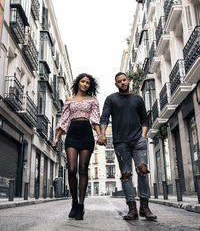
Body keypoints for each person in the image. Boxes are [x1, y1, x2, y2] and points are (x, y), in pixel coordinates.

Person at [97, 72, 157, 221]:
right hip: (120, 143)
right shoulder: (111, 99)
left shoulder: (137, 99)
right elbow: (104, 117)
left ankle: (145, 207)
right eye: (119, 81)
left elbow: (145, 119)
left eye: (124, 80)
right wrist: (102, 134)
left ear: (128, 80)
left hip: (138, 140)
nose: (122, 83)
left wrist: (143, 136)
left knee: (143, 170)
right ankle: (132, 209)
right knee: (126, 175)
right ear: (116, 84)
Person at [52, 73, 101, 220]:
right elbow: (64, 120)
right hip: (72, 134)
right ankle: (74, 201)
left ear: (90, 85)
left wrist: (100, 135)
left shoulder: (93, 100)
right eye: (83, 81)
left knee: (83, 170)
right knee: (72, 169)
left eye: (87, 83)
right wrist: (56, 138)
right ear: (78, 83)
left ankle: (80, 205)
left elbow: (95, 120)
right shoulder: (69, 100)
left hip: (86, 134)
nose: (85, 84)